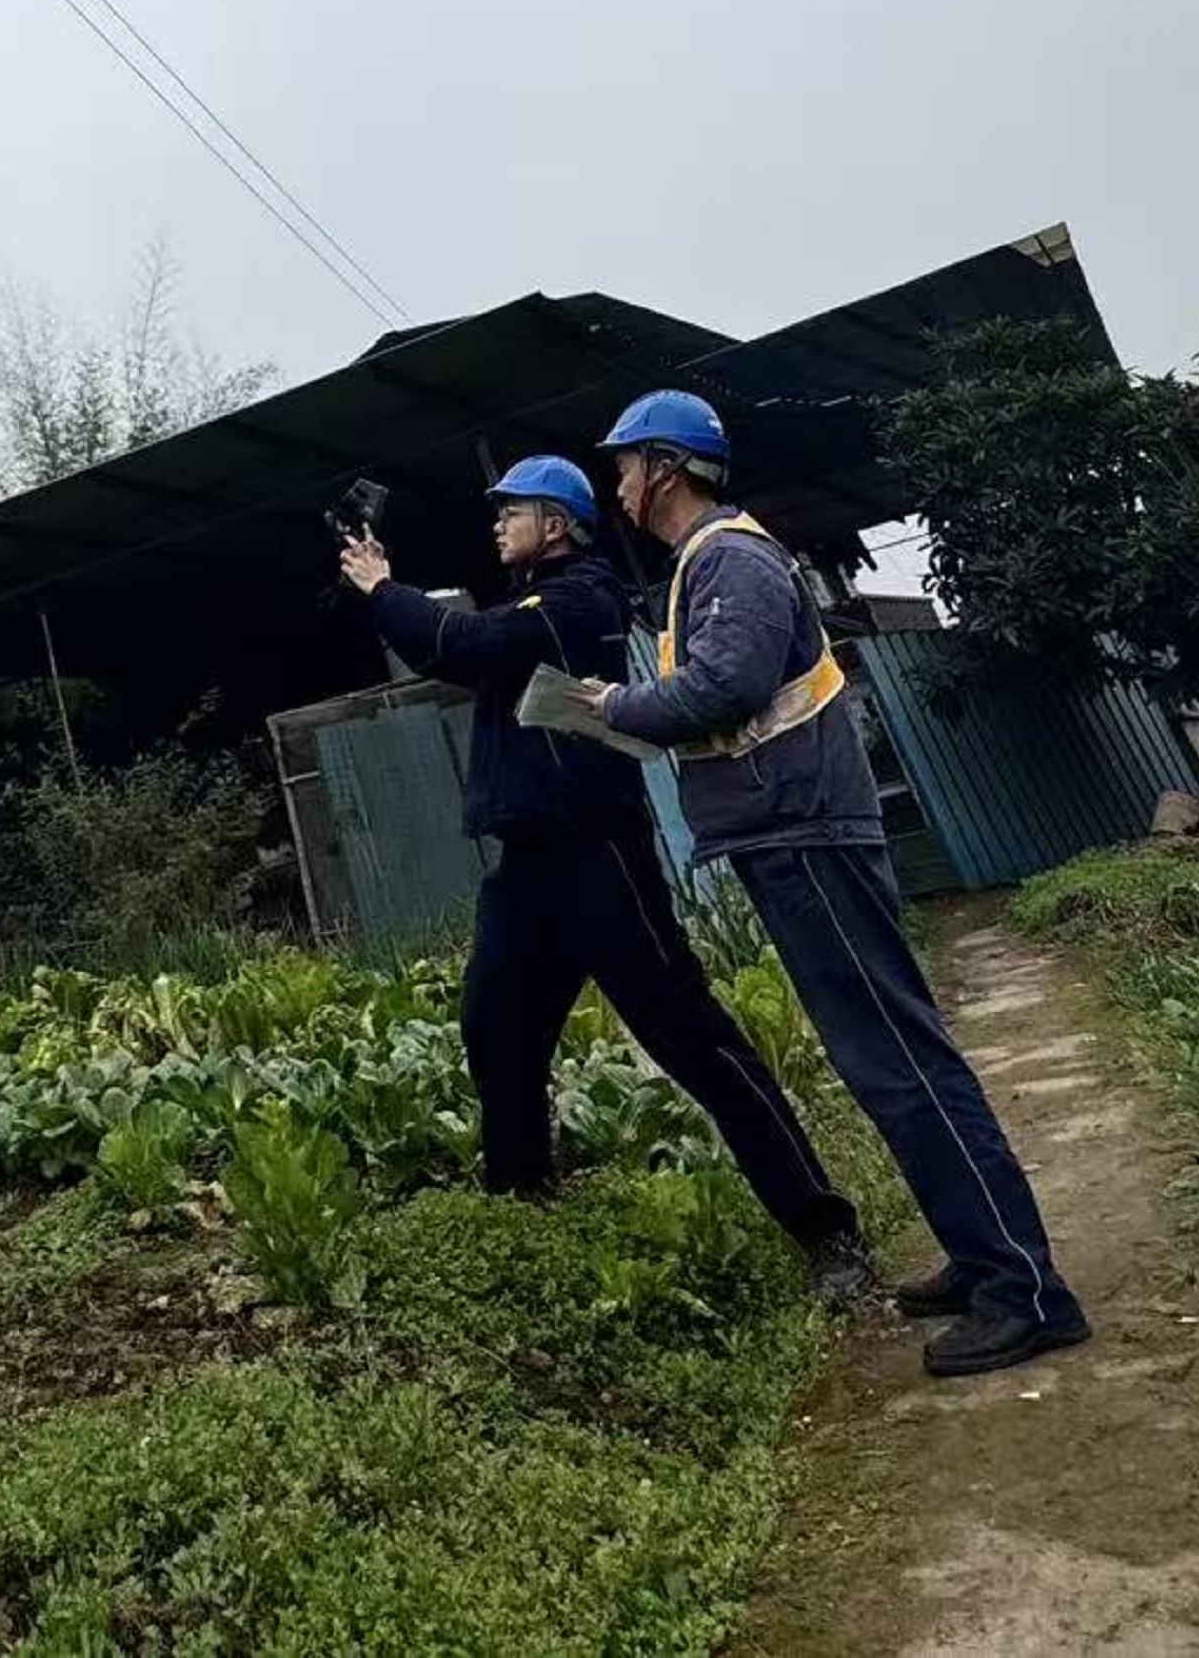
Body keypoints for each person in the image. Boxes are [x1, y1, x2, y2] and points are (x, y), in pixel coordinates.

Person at [586, 388, 1093, 1377]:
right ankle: (983, 1255)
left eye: (624, 466)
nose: (618, 486)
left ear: (665, 467)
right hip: (789, 834)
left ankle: (1025, 1292)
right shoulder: (712, 561)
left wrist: (615, 704)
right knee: (884, 1063)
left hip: (804, 834)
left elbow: (721, 688)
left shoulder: (728, 556)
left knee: (900, 1063)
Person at [339, 454, 872, 1303]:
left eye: (511, 510)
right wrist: (387, 596)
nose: (496, 524)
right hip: (528, 863)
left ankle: (825, 1228)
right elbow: (455, 650)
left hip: (599, 857)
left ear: (555, 524)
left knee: (692, 1040)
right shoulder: (530, 605)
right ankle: (522, 1200)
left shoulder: (579, 599)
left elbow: (461, 642)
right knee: (495, 1027)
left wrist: (381, 587)